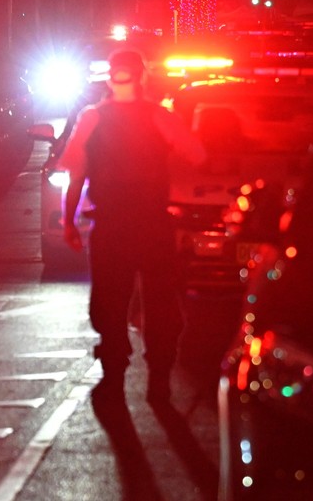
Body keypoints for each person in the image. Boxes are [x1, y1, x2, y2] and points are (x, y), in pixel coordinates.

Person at [58, 48, 207, 406]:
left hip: (112, 225)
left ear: (111, 77)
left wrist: (69, 220)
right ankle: (158, 378)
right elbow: (197, 156)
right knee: (160, 304)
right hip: (152, 222)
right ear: (142, 77)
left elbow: (76, 172)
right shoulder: (160, 117)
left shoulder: (93, 117)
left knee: (110, 301)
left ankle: (114, 375)